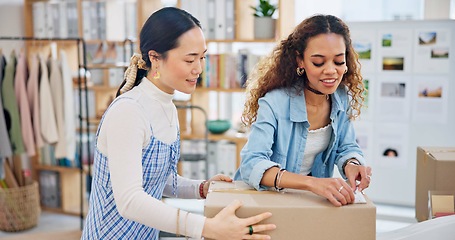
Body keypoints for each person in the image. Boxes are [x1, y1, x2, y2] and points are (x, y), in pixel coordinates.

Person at [82, 7, 275, 240]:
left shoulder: (168, 107)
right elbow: (130, 201)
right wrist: (206, 227)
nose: (199, 69)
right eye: (189, 59)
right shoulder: (129, 111)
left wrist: (201, 188)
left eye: (202, 57)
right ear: (155, 58)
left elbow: (156, 179)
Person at [235, 14, 372, 207]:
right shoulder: (275, 103)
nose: (331, 70)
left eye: (339, 61)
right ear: (300, 61)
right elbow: (251, 165)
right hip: (263, 201)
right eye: (318, 62)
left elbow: (346, 147)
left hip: (306, 202)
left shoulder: (340, 98)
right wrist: (312, 183)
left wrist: (353, 164)